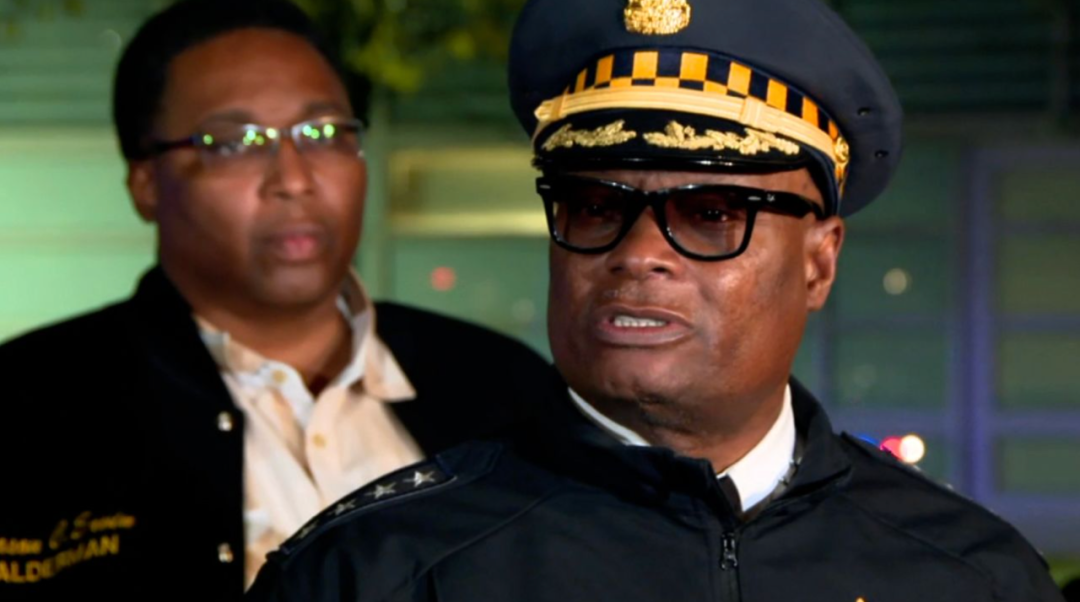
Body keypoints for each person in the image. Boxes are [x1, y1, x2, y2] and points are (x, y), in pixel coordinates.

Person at [245, 0, 1068, 600]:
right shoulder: (374, 570)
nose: (638, 254)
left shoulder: (970, 577)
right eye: (596, 206)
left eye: (711, 214)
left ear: (819, 263)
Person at [0, 0, 555, 599]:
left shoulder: (502, 389)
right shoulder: (30, 409)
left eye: (323, 133)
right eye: (235, 142)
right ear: (145, 183)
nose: (293, 179)